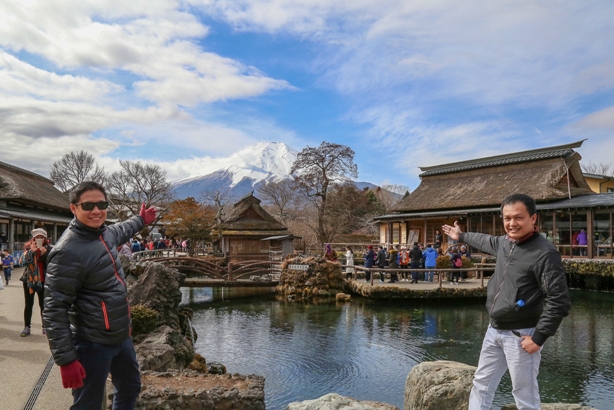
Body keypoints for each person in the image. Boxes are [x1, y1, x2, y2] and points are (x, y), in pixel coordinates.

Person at [442, 193, 570, 410]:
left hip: (522, 335)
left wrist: (538, 338)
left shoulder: (544, 253)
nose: (512, 223)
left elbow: (559, 300)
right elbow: (483, 240)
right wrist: (461, 235)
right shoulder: (504, 243)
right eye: (507, 218)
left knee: (524, 394)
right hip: (495, 329)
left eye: (518, 217)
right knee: (481, 384)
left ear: (533, 218)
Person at [43, 181, 157, 410]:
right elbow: (54, 309)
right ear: (74, 209)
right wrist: (66, 360)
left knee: (130, 387)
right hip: (91, 342)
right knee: (88, 404)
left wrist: (141, 219)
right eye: (88, 205)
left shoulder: (104, 233)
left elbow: (123, 228)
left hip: (120, 335)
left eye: (102, 204)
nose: (96, 210)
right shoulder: (68, 251)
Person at [21, 228, 51, 336]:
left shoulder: (49, 249)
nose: (39, 239)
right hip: (29, 281)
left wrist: (44, 254)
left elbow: (52, 264)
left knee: (43, 305)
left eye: (41, 237)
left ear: (45, 239)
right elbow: (23, 263)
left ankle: (45, 327)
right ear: (33, 239)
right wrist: (31, 251)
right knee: (28, 304)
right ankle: (27, 327)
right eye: (37, 237)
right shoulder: (28, 249)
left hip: (43, 281)